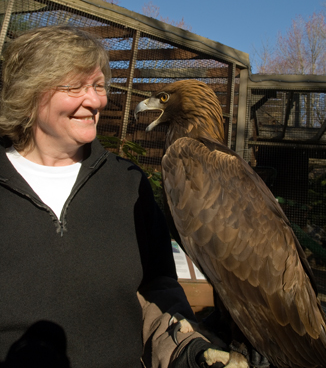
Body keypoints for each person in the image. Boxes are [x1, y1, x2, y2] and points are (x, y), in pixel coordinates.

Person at [0, 25, 222, 368]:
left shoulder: (128, 185)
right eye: (76, 87)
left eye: (99, 86)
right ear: (29, 92)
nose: (97, 100)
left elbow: (157, 289)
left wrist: (186, 348)